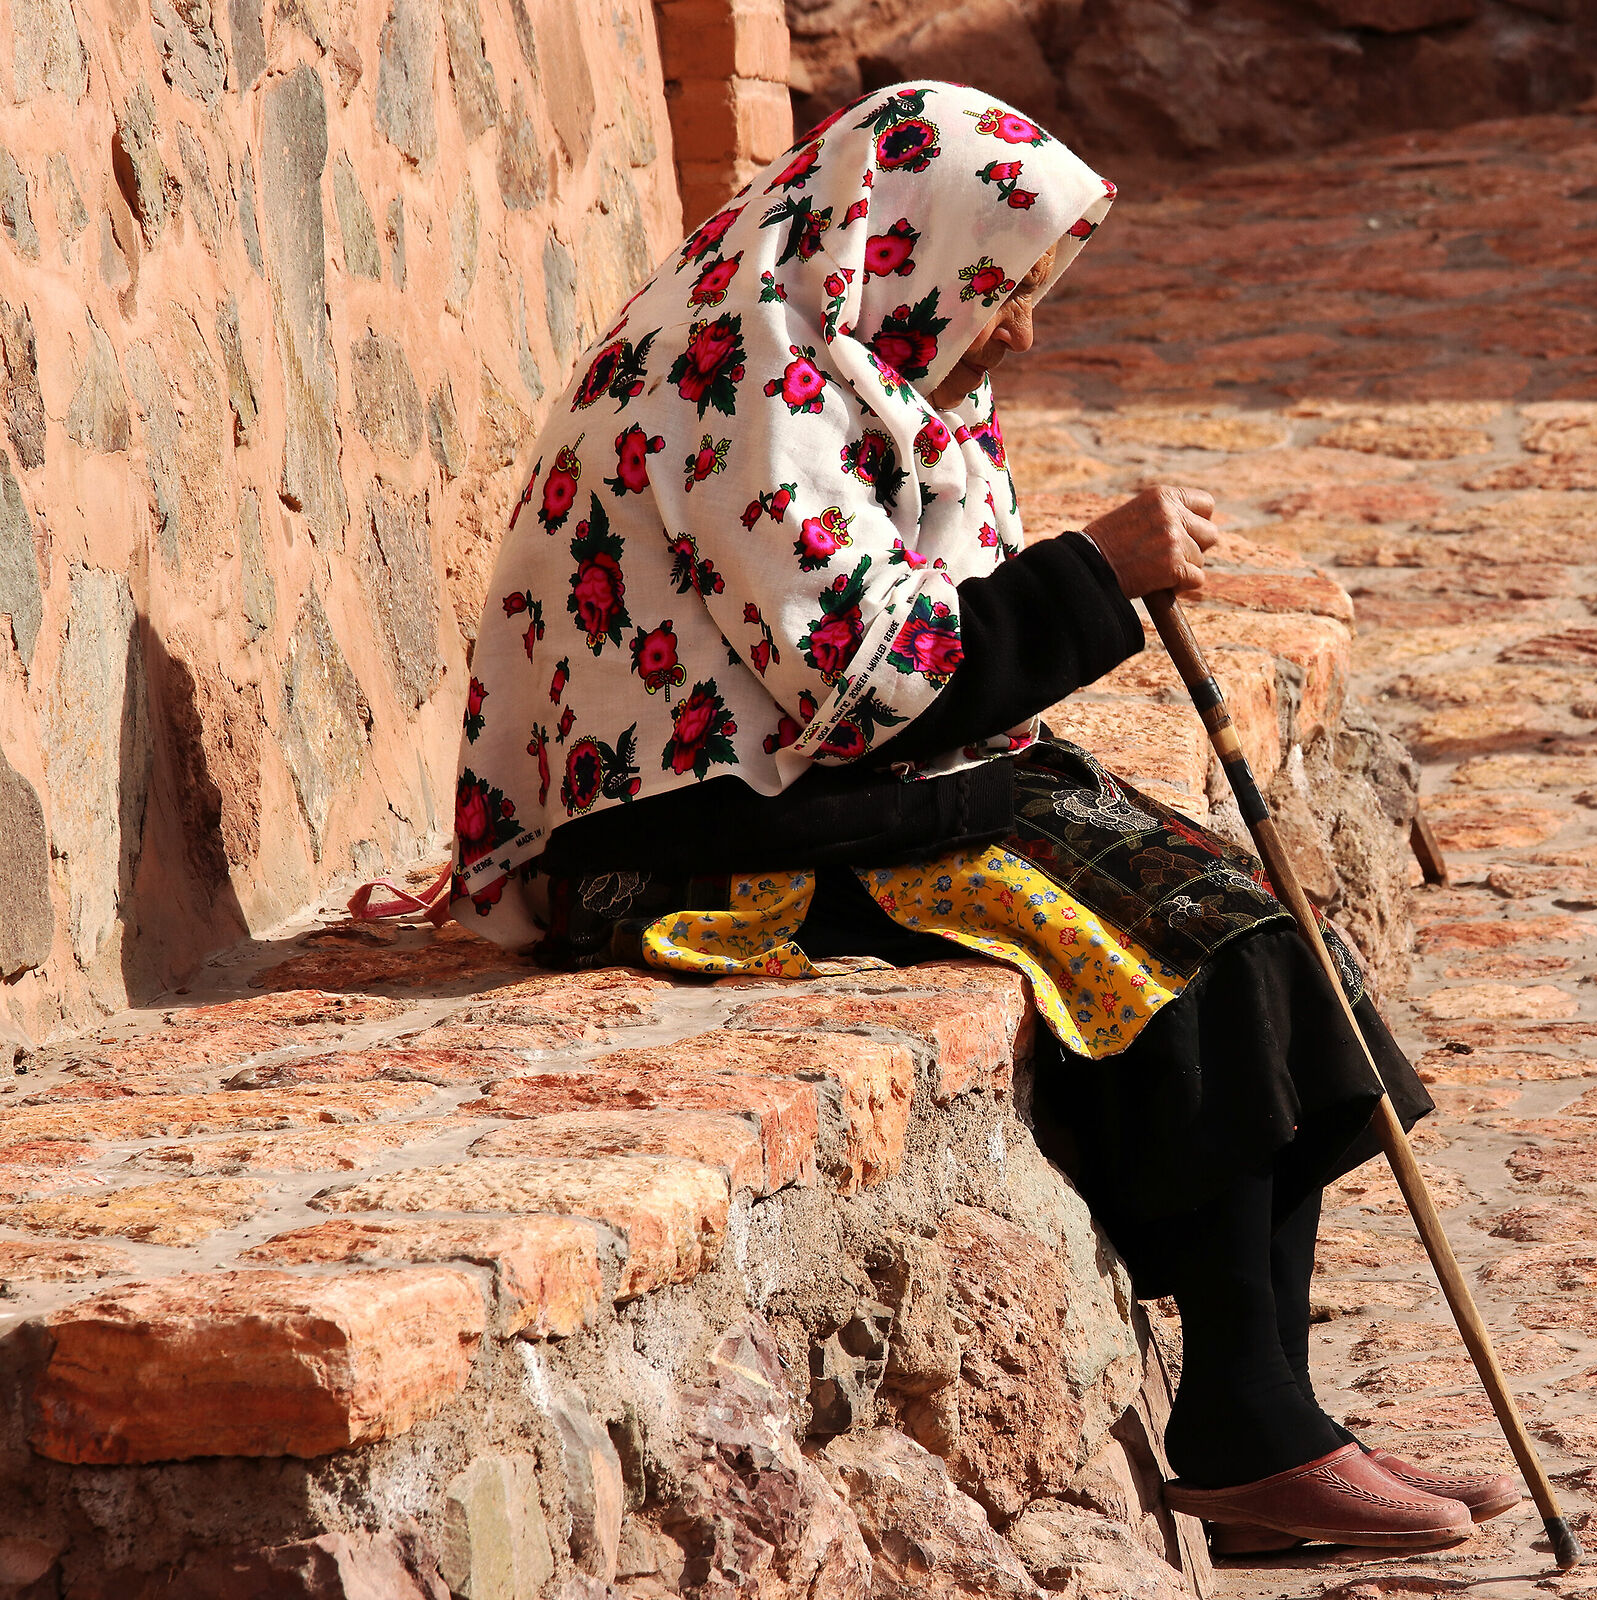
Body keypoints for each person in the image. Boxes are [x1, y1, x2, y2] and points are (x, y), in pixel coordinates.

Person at [448, 81, 1513, 1554]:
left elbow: (934, 632)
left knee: (1245, 923)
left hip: (818, 791)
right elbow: (869, 672)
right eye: (1006, 290)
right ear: (911, 246)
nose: (1019, 331)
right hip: (683, 839)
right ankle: (1254, 1430)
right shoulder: (734, 374)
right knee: (1143, 961)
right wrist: (1099, 577)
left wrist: (1089, 584)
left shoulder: (871, 366)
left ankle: (1267, 1416)